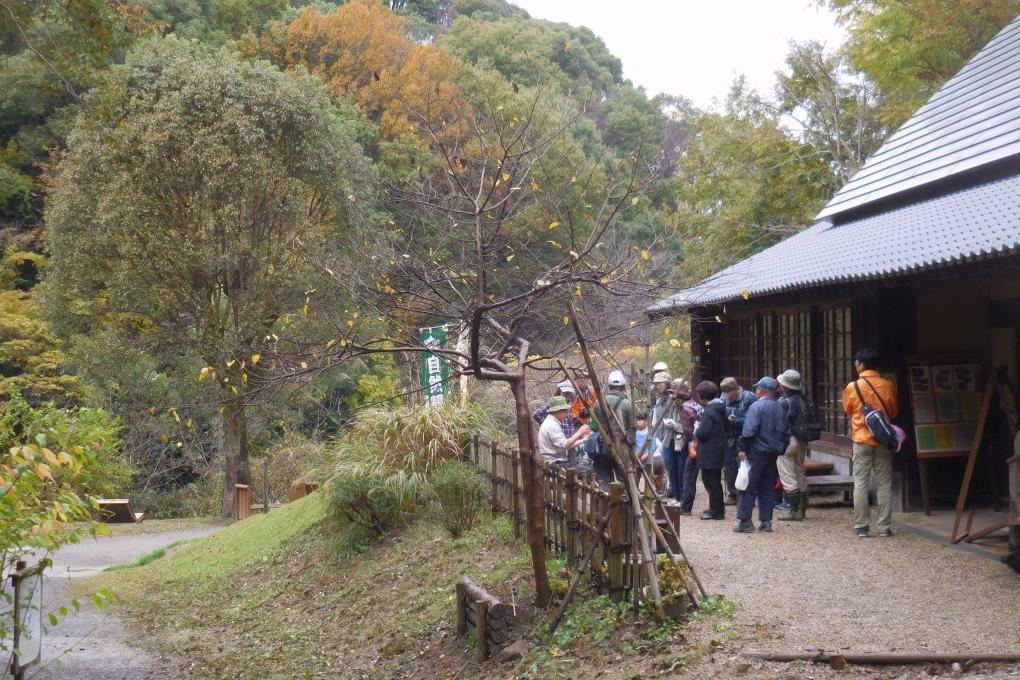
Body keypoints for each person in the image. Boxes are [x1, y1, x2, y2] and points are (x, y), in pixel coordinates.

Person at [842, 349, 898, 538]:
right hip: (883, 439)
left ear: (862, 365)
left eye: (856, 363)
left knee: (861, 483)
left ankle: (862, 527)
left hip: (861, 438)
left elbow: (848, 409)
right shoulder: (888, 385)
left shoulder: (853, 386)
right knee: (884, 483)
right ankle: (883, 527)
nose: (855, 366)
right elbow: (892, 410)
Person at [735, 377, 789, 534]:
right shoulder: (780, 408)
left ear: (763, 390)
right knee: (767, 488)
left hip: (756, 452)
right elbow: (786, 432)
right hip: (773, 453)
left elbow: (749, 430)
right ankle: (766, 522)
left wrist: (743, 448)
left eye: (757, 388)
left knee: (747, 486)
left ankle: (745, 522)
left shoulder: (756, 407)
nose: (756, 391)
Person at [664, 381, 702, 515]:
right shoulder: (676, 407)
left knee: (682, 472)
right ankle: (678, 497)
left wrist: (676, 426)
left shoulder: (689, 408)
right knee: (674, 469)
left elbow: (693, 430)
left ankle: (683, 499)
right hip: (675, 442)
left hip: (687, 445)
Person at [590, 369, 632, 487]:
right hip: (621, 447)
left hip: (602, 445)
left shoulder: (598, 403)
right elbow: (632, 428)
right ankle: (624, 503)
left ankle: (606, 503)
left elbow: (593, 425)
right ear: (624, 386)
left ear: (609, 386)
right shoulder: (627, 404)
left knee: (604, 481)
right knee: (625, 480)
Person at [777, 369, 809, 522]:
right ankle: (802, 509)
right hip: (802, 439)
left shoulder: (783, 402)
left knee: (787, 475)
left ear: (785, 386)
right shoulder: (803, 399)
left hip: (788, 440)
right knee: (799, 471)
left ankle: (792, 510)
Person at [693, 381, 726, 520]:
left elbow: (703, 433)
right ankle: (717, 508)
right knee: (715, 480)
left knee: (710, 481)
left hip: (709, 451)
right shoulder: (721, 407)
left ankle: (716, 511)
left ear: (701, 397)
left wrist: (697, 428)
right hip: (718, 448)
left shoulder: (709, 411)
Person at [720, 377, 756, 504]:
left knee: (744, 466)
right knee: (729, 465)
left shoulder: (749, 398)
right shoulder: (723, 399)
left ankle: (745, 494)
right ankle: (732, 493)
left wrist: (735, 420)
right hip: (728, 436)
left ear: (736, 389)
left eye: (729, 394)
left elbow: (752, 420)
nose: (727, 397)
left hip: (744, 438)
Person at [538, 396, 591, 462]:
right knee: (587, 469)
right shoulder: (552, 425)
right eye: (565, 411)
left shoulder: (551, 422)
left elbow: (566, 446)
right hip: (555, 462)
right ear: (559, 411)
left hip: (555, 460)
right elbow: (564, 445)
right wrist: (579, 433)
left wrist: (584, 439)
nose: (566, 414)